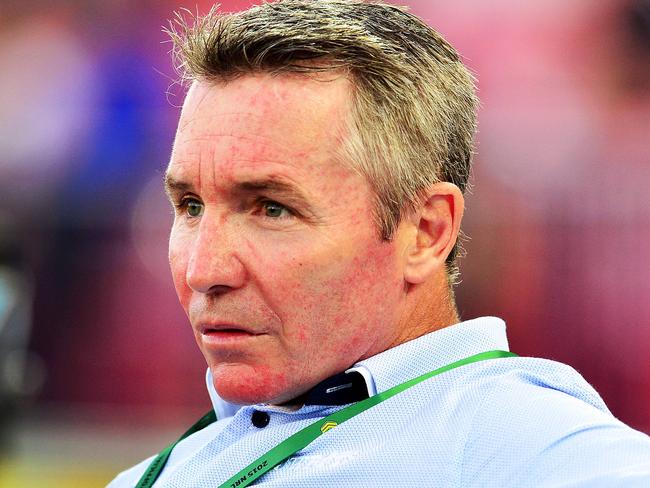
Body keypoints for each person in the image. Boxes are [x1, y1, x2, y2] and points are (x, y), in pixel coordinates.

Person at [109, 1, 650, 486]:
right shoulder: (155, 476)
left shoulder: (520, 442)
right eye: (190, 206)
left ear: (426, 232)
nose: (204, 268)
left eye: (272, 209)